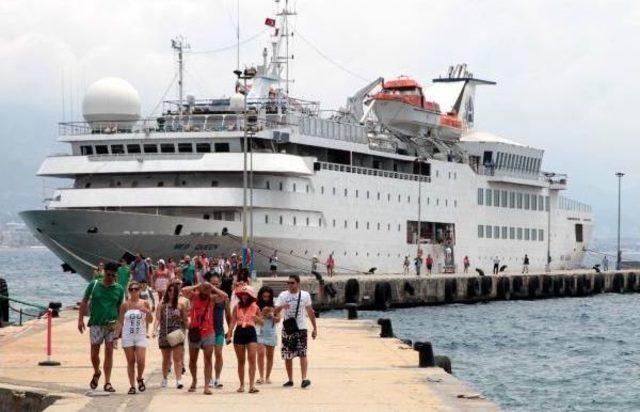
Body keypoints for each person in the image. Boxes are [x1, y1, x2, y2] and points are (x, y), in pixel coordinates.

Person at [78, 262, 125, 393]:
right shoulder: (94, 285)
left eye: (113, 275)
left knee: (109, 352)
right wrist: (80, 319)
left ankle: (107, 382)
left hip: (111, 325)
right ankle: (97, 371)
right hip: (96, 324)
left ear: (116, 275)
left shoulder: (119, 289)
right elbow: (84, 301)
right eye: (108, 274)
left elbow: (121, 308)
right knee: (94, 354)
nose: (110, 277)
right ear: (104, 272)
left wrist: (119, 326)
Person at [181, 281, 228, 395]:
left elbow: (225, 296)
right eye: (204, 289)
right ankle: (194, 380)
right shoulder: (194, 296)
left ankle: (207, 386)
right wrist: (198, 286)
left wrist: (212, 287)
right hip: (195, 331)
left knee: (208, 359)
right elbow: (183, 290)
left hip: (209, 332)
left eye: (207, 289)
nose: (205, 291)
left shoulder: (211, 299)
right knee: (193, 360)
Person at [275, 275, 317, 389]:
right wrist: (282, 307)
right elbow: (275, 310)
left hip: (301, 327)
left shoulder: (305, 295)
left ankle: (304, 379)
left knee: (302, 353)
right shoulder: (283, 295)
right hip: (288, 328)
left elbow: (310, 311)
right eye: (288, 282)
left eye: (292, 283)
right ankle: (290, 379)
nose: (289, 285)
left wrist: (314, 328)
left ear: (298, 283)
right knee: (287, 354)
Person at [116, 281, 153, 395]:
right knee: (131, 362)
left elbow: (150, 320)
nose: (133, 291)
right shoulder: (125, 305)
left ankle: (140, 378)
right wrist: (115, 337)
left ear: (140, 290)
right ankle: (132, 386)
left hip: (141, 335)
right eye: (131, 289)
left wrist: (148, 312)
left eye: (136, 289)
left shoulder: (145, 303)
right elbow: (120, 322)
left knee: (141, 361)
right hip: (128, 336)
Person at [154, 281, 189, 389]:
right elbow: (158, 319)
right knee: (166, 359)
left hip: (177, 332)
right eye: (169, 291)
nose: (171, 293)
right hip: (164, 333)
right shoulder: (162, 305)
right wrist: (154, 330)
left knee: (177, 359)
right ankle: (164, 379)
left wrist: (188, 330)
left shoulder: (181, 305)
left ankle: (178, 380)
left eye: (173, 291)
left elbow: (185, 320)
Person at [227, 284, 262, 393]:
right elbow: (233, 321)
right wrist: (229, 334)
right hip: (239, 331)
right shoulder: (236, 307)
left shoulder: (256, 307)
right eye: (242, 295)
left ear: (250, 296)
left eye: (246, 295)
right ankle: (242, 385)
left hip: (250, 331)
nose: (244, 297)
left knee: (252, 359)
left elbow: (262, 322)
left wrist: (257, 319)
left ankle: (251, 386)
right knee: (241, 361)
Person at [210, 273, 231, 389]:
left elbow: (228, 315)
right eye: (212, 284)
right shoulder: (205, 297)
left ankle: (217, 378)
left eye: (216, 284)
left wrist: (230, 331)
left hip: (219, 330)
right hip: (206, 331)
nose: (214, 286)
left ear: (220, 284)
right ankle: (209, 378)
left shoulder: (224, 298)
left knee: (218, 354)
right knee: (207, 356)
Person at [256, 286, 279, 385]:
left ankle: (268, 377)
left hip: (271, 332)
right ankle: (261, 376)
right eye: (264, 296)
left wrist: (272, 316)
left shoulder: (274, 306)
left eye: (268, 297)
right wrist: (262, 314)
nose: (266, 298)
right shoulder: (256, 306)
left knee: (270, 356)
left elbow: (278, 319)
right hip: (259, 332)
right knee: (260, 354)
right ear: (261, 296)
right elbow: (254, 319)